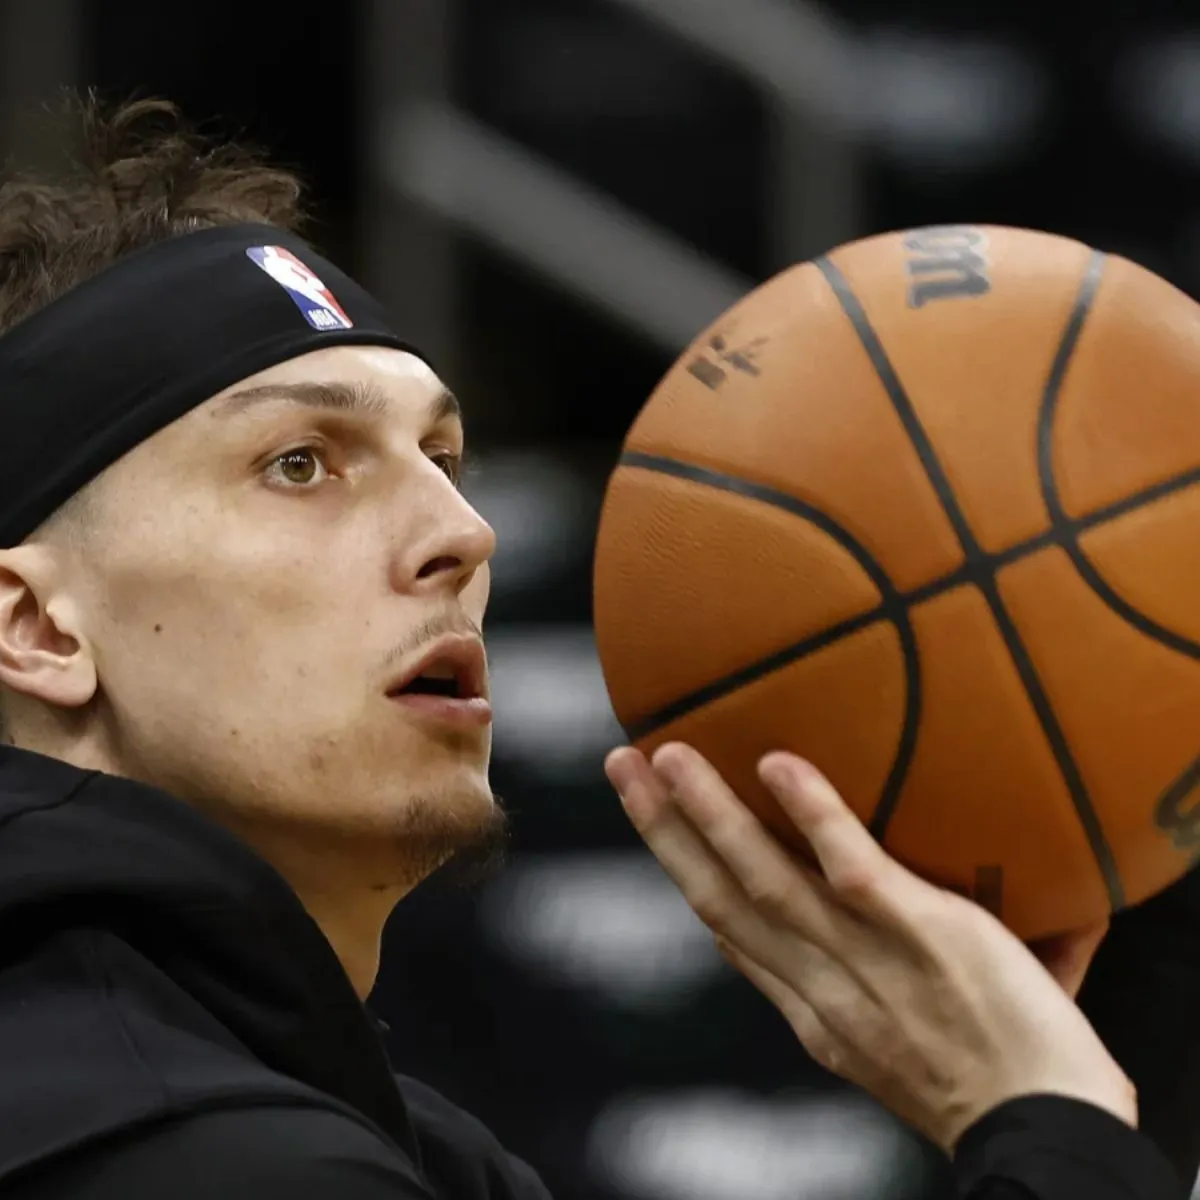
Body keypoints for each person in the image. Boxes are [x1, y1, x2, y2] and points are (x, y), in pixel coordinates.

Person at [0, 95, 1192, 1200]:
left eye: (447, 461)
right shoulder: (175, 1148)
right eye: (301, 464)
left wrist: (1029, 1111)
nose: (464, 537)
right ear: (37, 627)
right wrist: (1048, 1123)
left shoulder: (328, 1124)